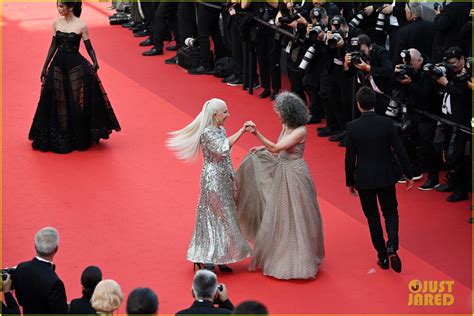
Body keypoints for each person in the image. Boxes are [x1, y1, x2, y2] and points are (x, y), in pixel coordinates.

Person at [236, 92, 325, 280]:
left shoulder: (301, 130)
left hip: (294, 174)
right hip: (282, 169)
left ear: (288, 112)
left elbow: (277, 148)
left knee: (297, 216)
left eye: (279, 112)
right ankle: (280, 251)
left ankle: (298, 259)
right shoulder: (286, 125)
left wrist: (257, 134)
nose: (277, 115)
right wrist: (262, 148)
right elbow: (279, 146)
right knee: (281, 215)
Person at [167, 98, 251, 272]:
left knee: (224, 215)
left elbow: (226, 156)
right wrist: (242, 131)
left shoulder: (220, 129)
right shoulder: (207, 133)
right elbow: (222, 149)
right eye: (225, 112)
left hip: (223, 177)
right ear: (215, 115)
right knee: (215, 215)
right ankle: (207, 257)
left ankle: (219, 257)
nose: (228, 115)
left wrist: (231, 176)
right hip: (212, 179)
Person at [28, 0, 121, 154]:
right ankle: (63, 135)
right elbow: (53, 46)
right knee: (59, 101)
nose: (59, 9)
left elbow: (88, 46)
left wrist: (95, 61)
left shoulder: (81, 25)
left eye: (61, 6)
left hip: (75, 66)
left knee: (76, 101)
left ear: (70, 7)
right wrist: (45, 66)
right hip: (58, 65)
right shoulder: (56, 23)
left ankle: (78, 136)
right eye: (58, 6)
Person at [345, 87, 414, 273]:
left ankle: (382, 256)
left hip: (364, 179)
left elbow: (350, 157)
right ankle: (392, 246)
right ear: (374, 103)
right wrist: (408, 174)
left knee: (373, 218)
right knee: (391, 213)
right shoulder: (387, 124)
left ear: (358, 105)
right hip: (386, 177)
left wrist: (349, 181)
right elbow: (400, 150)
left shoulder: (352, 127)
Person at [14, 227, 68, 314]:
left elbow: (21, 301)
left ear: (35, 246)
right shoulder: (55, 283)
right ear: (56, 249)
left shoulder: (21, 268)